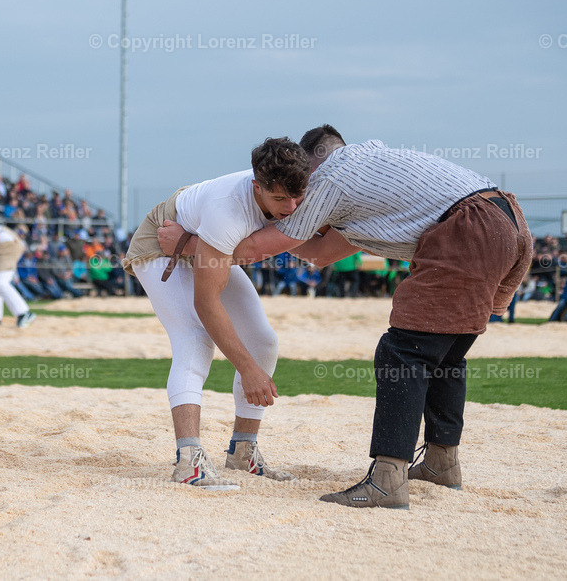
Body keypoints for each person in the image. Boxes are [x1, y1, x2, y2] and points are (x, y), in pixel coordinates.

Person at [160, 125, 533, 508]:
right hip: (510, 222)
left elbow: (256, 248)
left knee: (403, 352)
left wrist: (189, 242)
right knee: (445, 354)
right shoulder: (371, 171)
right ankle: (441, 463)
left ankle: (388, 479)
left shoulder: (329, 179)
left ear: (313, 166)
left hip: (467, 229)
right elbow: (321, 254)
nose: (299, 200)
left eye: (302, 188)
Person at [124, 137, 310, 491]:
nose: (292, 206)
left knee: (263, 341)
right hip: (163, 245)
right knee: (194, 340)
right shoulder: (228, 210)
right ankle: (188, 461)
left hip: (200, 241)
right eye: (279, 198)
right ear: (257, 187)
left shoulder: (298, 191)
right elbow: (206, 303)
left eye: (297, 196)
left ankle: (243, 451)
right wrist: (247, 370)